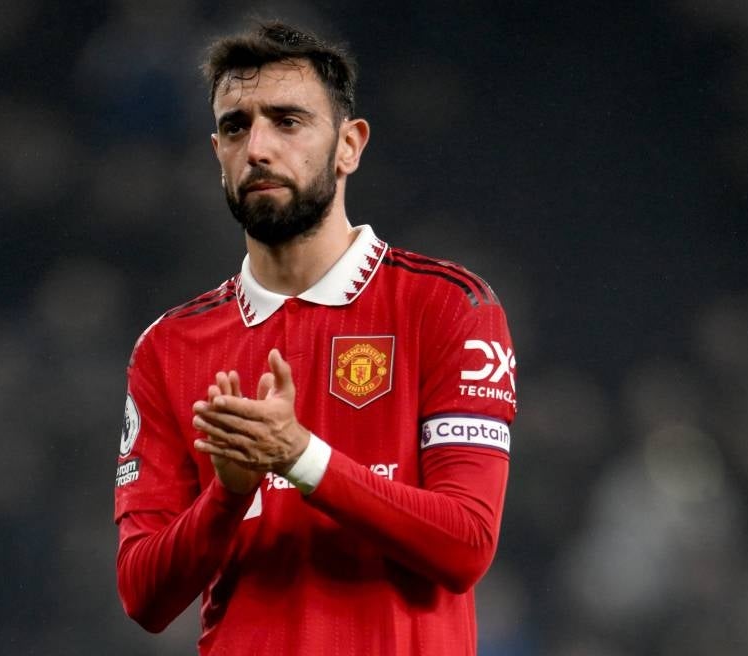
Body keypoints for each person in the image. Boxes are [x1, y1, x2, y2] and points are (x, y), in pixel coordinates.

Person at [114, 20, 518, 656]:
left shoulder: (448, 306)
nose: (258, 148)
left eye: (288, 121)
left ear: (348, 145)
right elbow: (144, 595)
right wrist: (230, 492)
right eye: (235, 126)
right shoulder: (169, 347)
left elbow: (466, 542)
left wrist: (300, 457)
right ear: (215, 149)